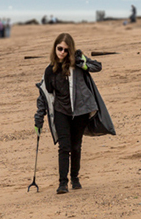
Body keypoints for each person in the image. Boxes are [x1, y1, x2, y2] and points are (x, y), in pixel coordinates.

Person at [34, 33, 101, 194]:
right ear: (55, 48)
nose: (62, 52)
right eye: (59, 48)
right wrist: (39, 117)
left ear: (70, 50)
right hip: (61, 111)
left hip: (80, 111)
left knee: (76, 146)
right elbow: (45, 95)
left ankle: (75, 178)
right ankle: (62, 183)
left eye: (66, 49)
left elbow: (97, 66)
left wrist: (83, 62)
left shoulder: (77, 65)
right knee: (64, 147)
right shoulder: (50, 70)